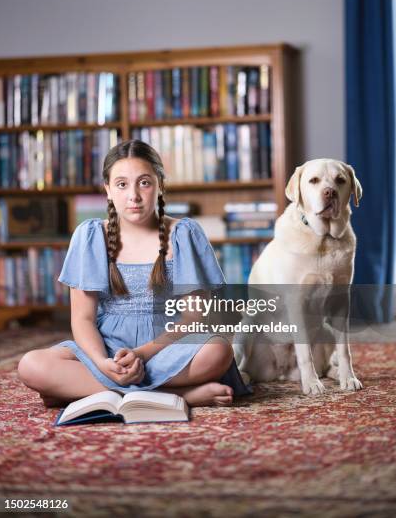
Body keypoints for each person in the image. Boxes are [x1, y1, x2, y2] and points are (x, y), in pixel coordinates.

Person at [18, 139, 251, 407]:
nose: (134, 196)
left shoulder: (184, 234)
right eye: (121, 184)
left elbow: (193, 317)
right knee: (31, 365)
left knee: (218, 350)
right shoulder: (91, 235)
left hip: (167, 347)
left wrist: (141, 354)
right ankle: (177, 395)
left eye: (144, 182)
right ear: (107, 189)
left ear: (160, 185)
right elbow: (82, 319)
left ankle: (87, 389)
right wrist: (103, 363)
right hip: (107, 348)